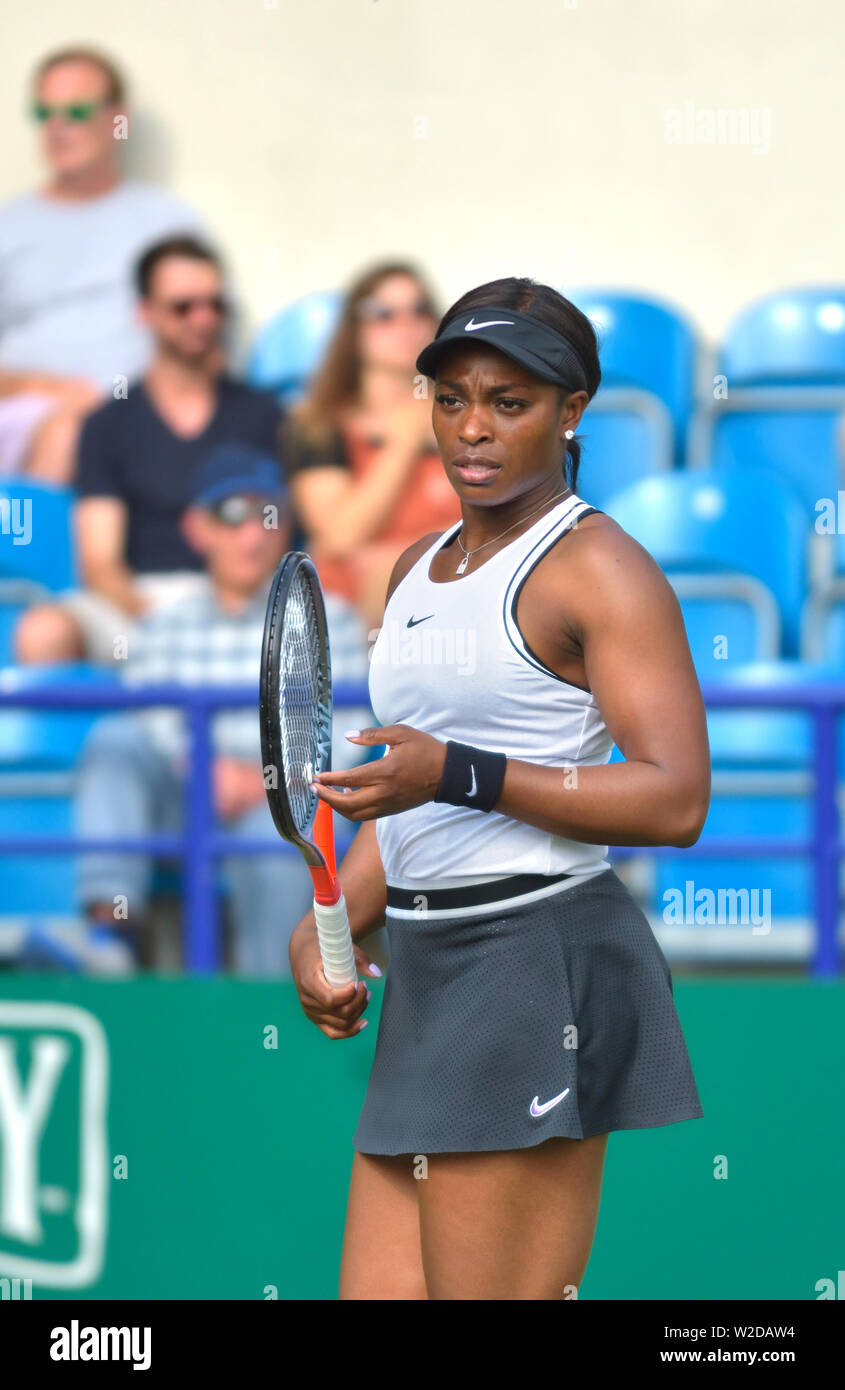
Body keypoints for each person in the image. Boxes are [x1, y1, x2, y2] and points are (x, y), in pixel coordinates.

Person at [286, 277, 711, 1301]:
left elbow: (673, 799)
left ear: (570, 414)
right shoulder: (413, 567)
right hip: (427, 974)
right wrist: (326, 933)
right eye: (451, 398)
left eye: (509, 403)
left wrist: (458, 773)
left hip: (535, 963)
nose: (472, 430)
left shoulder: (599, 568)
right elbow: (408, 797)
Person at [18, 445, 371, 976]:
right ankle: (106, 939)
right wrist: (200, 768)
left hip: (283, 806)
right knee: (115, 742)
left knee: (277, 838)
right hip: (184, 794)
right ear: (197, 528)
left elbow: (351, 734)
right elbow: (145, 721)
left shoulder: (331, 620)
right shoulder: (165, 624)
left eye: (266, 513)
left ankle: (270, 1009)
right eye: (229, 515)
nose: (251, 534)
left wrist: (265, 783)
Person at [15, 236, 283, 667]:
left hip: (245, 597)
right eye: (183, 306)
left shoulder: (264, 415)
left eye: (215, 305)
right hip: (140, 603)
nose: (203, 318)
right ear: (145, 312)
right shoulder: (109, 422)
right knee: (44, 632)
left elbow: (283, 531)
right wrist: (165, 622)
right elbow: (101, 564)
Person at [0, 46, 207, 482]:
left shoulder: (167, 223)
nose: (58, 127)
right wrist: (44, 389)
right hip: (18, 418)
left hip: (140, 417)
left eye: (76, 110)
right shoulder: (8, 226)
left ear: (119, 121)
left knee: (74, 431)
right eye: (44, 113)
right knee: (69, 428)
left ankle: (26, 549)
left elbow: (209, 334)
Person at [278, 261, 461, 634]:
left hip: (455, 603)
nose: (404, 324)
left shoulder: (465, 419)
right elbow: (341, 536)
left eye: (419, 309)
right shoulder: (317, 425)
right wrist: (405, 440)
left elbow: (501, 531)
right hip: (353, 621)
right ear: (353, 330)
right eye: (383, 313)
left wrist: (395, 558)